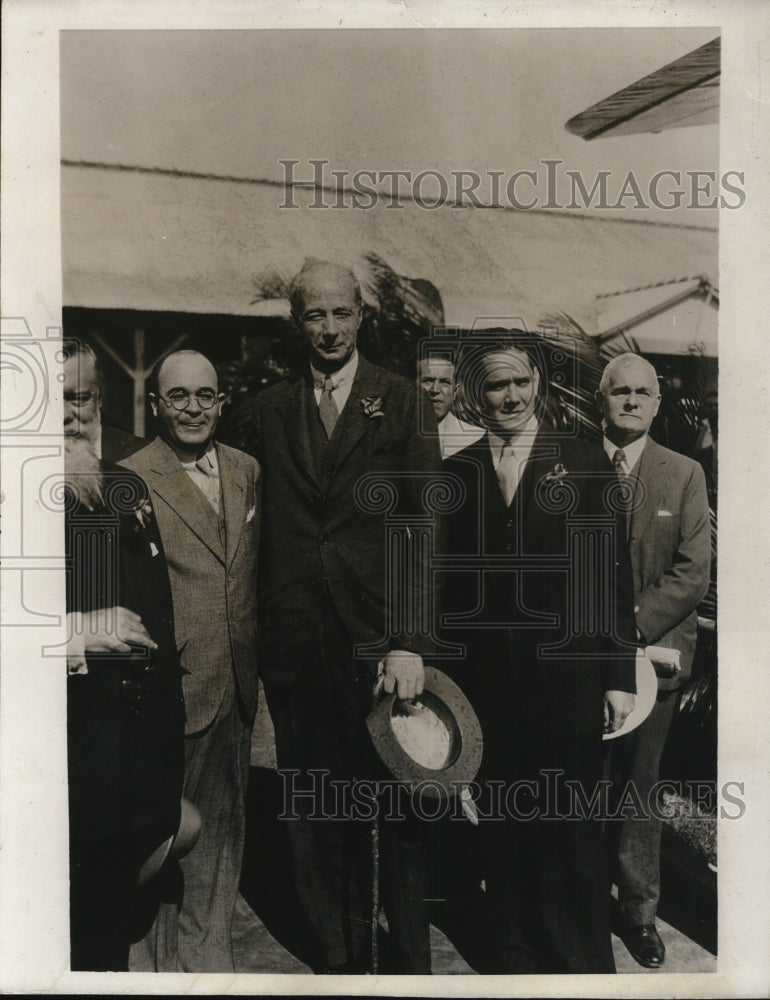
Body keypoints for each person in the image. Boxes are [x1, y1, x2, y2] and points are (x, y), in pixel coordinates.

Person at [253, 260, 441, 973]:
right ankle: (337, 955)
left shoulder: (400, 401)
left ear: (360, 315)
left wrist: (409, 641)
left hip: (378, 643)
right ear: (296, 323)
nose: (328, 329)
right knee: (313, 803)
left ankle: (410, 958)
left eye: (340, 314)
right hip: (299, 641)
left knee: (398, 803)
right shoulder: (270, 409)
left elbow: (422, 526)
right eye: (313, 316)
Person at [441, 333, 636, 974]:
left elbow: (611, 576)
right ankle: (516, 960)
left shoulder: (582, 462)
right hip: (490, 692)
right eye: (496, 385)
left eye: (520, 383)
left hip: (568, 682)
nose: (510, 396)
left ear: (538, 387)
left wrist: (616, 674)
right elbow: (449, 591)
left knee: (573, 838)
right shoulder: (459, 473)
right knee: (502, 831)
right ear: (477, 395)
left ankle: (582, 968)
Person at [122, 349, 261, 971]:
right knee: (163, 835)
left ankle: (210, 961)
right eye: (178, 397)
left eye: (206, 396)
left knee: (223, 837)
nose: (193, 409)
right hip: (165, 688)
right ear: (156, 405)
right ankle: (152, 968)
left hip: (235, 684)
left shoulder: (247, 470)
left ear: (221, 403)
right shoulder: (128, 476)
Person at [63, 346, 186, 971]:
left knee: (109, 934)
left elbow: (154, 612)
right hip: (48, 760)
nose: (68, 416)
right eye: (53, 399)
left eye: (80, 397)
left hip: (124, 754)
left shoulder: (122, 486)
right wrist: (77, 634)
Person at [597, 353, 710, 968]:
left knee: (640, 785)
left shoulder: (684, 473)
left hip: (656, 654)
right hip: (582, 658)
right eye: (622, 392)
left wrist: (627, 629)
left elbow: (692, 574)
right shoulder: (575, 465)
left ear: (657, 404)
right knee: (583, 781)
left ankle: (640, 913)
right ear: (603, 399)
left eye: (644, 393)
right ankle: (583, 899)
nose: (633, 402)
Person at [62, 338, 145, 462]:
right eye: (50, 402)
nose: (64, 415)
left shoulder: (144, 455)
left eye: (78, 398)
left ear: (100, 397)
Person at [417, 354, 483, 458]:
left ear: (455, 392)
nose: (435, 390)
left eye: (445, 382)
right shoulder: (391, 434)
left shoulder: (476, 439)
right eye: (427, 381)